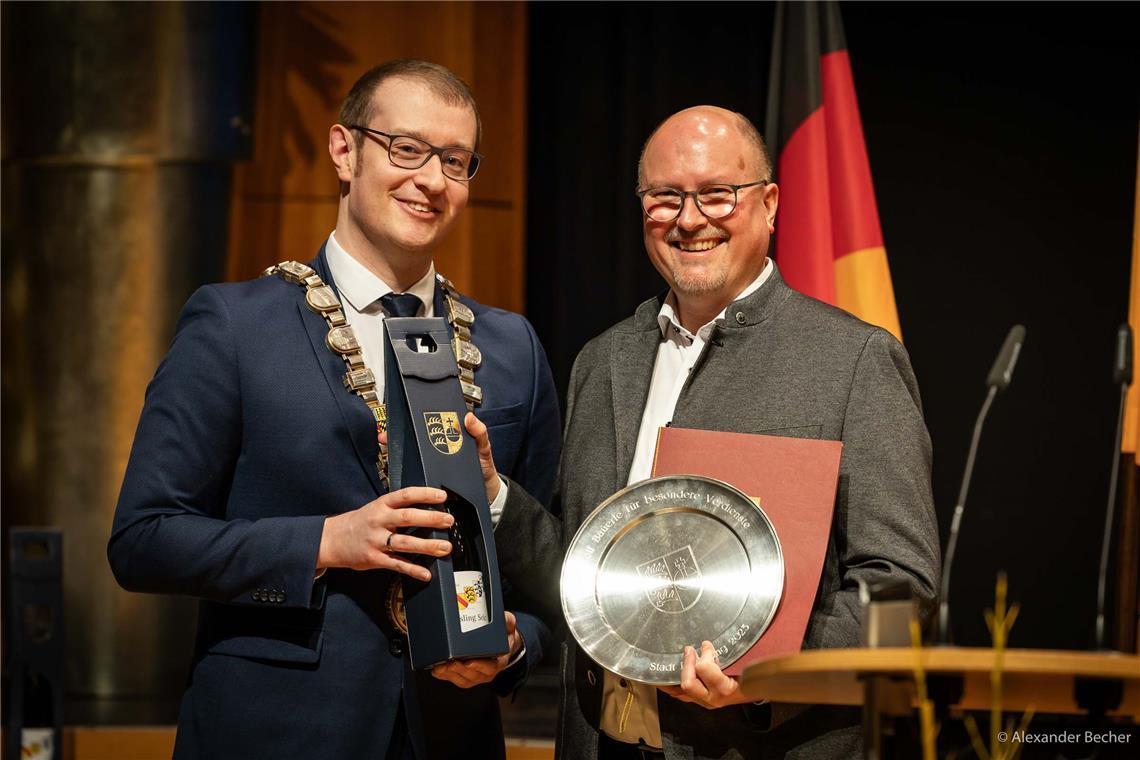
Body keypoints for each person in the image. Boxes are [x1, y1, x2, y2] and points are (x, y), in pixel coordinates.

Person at [108, 59, 561, 760]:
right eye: (406, 149)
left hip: (452, 737)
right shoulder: (235, 325)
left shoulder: (511, 347)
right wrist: (324, 543)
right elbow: (143, 540)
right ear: (344, 151)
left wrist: (513, 647)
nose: (432, 181)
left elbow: (549, 570)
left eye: (456, 161)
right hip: (274, 733)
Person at [479, 105, 940, 759]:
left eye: (718, 194)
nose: (690, 218)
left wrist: (765, 674)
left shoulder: (854, 360)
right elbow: (588, 573)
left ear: (770, 203)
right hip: (600, 741)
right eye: (666, 196)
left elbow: (900, 590)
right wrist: (496, 494)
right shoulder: (602, 360)